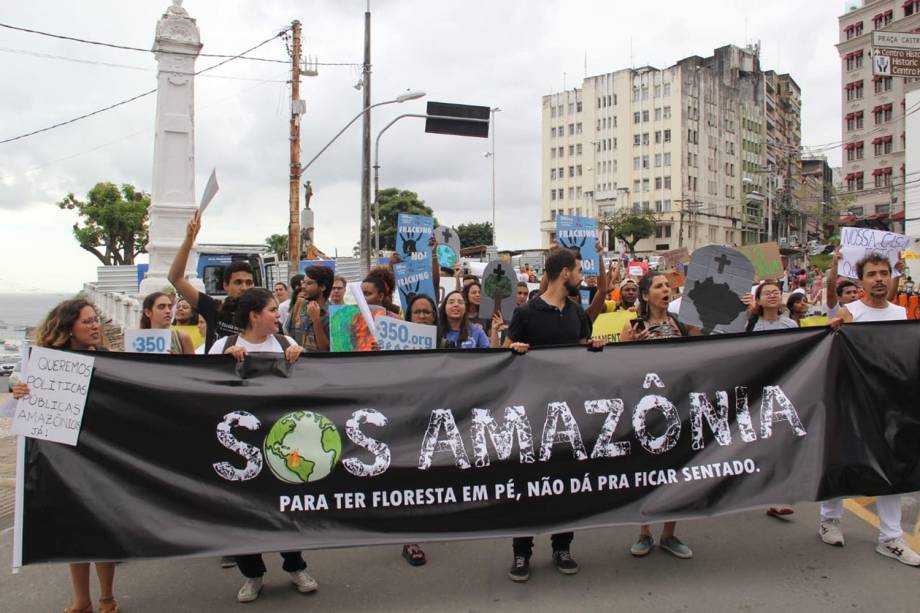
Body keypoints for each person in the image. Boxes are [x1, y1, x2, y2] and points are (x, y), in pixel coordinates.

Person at [503, 248, 605, 581]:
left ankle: (563, 546)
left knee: (567, 484)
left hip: (569, 416)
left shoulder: (577, 312)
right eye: (578, 271)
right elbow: (502, 354)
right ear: (564, 273)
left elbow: (582, 346)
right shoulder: (526, 312)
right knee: (528, 485)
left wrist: (594, 348)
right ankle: (521, 552)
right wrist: (513, 349)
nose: (581, 277)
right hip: (532, 415)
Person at [11, 299, 119, 613]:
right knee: (75, 527)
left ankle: (107, 597)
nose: (95, 326)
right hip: (63, 459)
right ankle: (82, 600)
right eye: (87, 321)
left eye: (96, 320)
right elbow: (22, 413)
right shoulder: (47, 364)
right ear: (68, 326)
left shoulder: (112, 360)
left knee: (102, 527)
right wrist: (20, 394)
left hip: (103, 457)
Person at [207, 289, 314, 600]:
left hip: (281, 444)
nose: (278, 315)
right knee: (242, 512)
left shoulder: (286, 344)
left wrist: (301, 361)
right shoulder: (222, 347)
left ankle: (295, 565)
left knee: (286, 507)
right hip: (239, 449)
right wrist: (220, 366)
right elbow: (199, 386)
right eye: (271, 310)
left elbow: (309, 386)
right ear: (253, 315)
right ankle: (252, 574)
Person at [822, 254, 920, 565]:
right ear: (861, 280)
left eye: (883, 273)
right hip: (853, 403)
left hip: (891, 405)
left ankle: (890, 538)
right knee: (845, 460)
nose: (878, 278)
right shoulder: (850, 313)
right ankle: (829, 518)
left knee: (894, 465)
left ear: (891, 278)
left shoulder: (902, 314)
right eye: (872, 274)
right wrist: (833, 329)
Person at [620, 272, 696, 560]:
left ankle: (669, 533)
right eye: (659, 286)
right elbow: (622, 367)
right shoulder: (632, 325)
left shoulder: (680, 324)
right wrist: (633, 345)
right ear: (645, 295)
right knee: (646, 472)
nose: (666, 290)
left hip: (676, 406)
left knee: (675, 471)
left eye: (668, 286)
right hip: (644, 409)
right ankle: (644, 531)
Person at [169, 210, 254, 351]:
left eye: (248, 282)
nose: (244, 287)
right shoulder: (214, 309)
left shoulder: (263, 314)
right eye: (238, 282)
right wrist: (189, 239)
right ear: (225, 286)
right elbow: (175, 278)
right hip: (216, 373)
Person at [288, 265, 332, 352]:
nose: (303, 286)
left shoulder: (332, 314)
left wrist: (316, 320)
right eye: (303, 282)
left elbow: (326, 350)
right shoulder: (299, 305)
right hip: (298, 364)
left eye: (309, 283)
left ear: (322, 287)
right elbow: (289, 337)